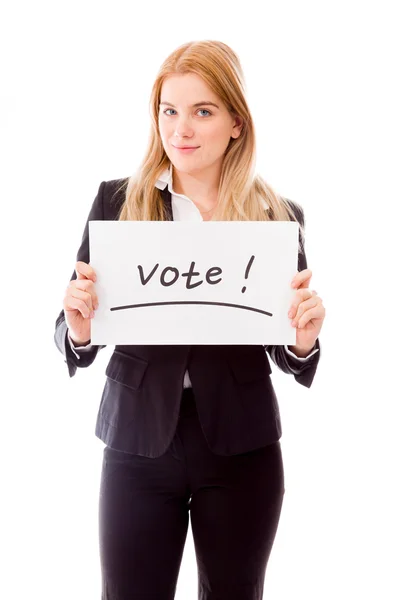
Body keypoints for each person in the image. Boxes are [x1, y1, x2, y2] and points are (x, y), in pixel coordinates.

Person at [54, 40, 325, 600]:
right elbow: (72, 332)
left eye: (202, 111)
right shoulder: (117, 203)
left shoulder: (277, 218)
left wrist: (301, 340)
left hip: (241, 445)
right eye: (169, 110)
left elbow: (288, 354)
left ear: (236, 123)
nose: (181, 129)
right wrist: (77, 326)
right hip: (136, 441)